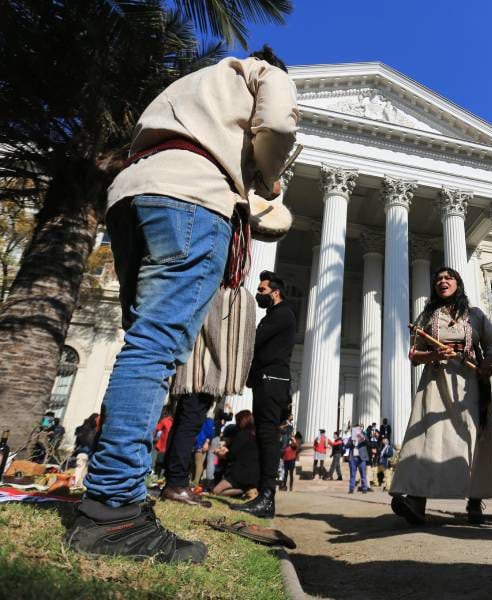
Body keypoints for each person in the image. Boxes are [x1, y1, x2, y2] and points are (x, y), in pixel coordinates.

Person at [67, 47, 298, 564]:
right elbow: (279, 125)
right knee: (157, 349)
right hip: (191, 197)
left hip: (131, 195)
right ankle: (112, 510)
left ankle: (113, 491)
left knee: (142, 344)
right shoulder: (263, 75)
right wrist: (269, 177)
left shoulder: (194, 84)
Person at [390, 267, 492, 526]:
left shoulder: (474, 315)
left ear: (458, 284)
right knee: (426, 438)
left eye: (448, 278)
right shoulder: (428, 316)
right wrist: (434, 355)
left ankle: (474, 502)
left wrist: (488, 363)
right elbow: (414, 354)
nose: (442, 281)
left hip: (469, 386)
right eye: (438, 279)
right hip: (435, 383)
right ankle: (416, 500)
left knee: (470, 438)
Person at [234, 270, 297, 519]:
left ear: (275, 292)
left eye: (262, 291)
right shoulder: (275, 315)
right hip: (267, 381)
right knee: (263, 436)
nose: (259, 294)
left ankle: (267, 497)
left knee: (268, 437)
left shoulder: (282, 314)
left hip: (273, 382)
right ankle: (262, 494)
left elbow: (255, 341)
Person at [157, 393, 214, 507]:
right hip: (199, 379)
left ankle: (174, 482)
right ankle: (177, 485)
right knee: (193, 415)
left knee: (186, 415)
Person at [212, 410, 259, 498]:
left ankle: (244, 490)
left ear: (242, 421)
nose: (236, 423)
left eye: (238, 420)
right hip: (252, 473)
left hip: (239, 473)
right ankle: (245, 490)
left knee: (216, 491)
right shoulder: (254, 435)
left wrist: (221, 454)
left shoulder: (243, 434)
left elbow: (232, 454)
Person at [346, 429, 370, 494]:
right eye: (355, 431)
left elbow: (368, 442)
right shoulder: (351, 438)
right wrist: (352, 442)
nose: (356, 433)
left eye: (357, 431)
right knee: (352, 474)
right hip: (352, 458)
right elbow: (347, 446)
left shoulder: (363, 437)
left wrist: (363, 437)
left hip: (361, 458)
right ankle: (351, 488)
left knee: (363, 474)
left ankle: (364, 488)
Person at [153, 407, 174, 478]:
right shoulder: (173, 421)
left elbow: (156, 429)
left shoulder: (164, 420)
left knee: (159, 461)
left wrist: (154, 437)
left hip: (163, 445)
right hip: (170, 446)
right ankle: (162, 477)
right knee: (166, 462)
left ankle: (156, 476)